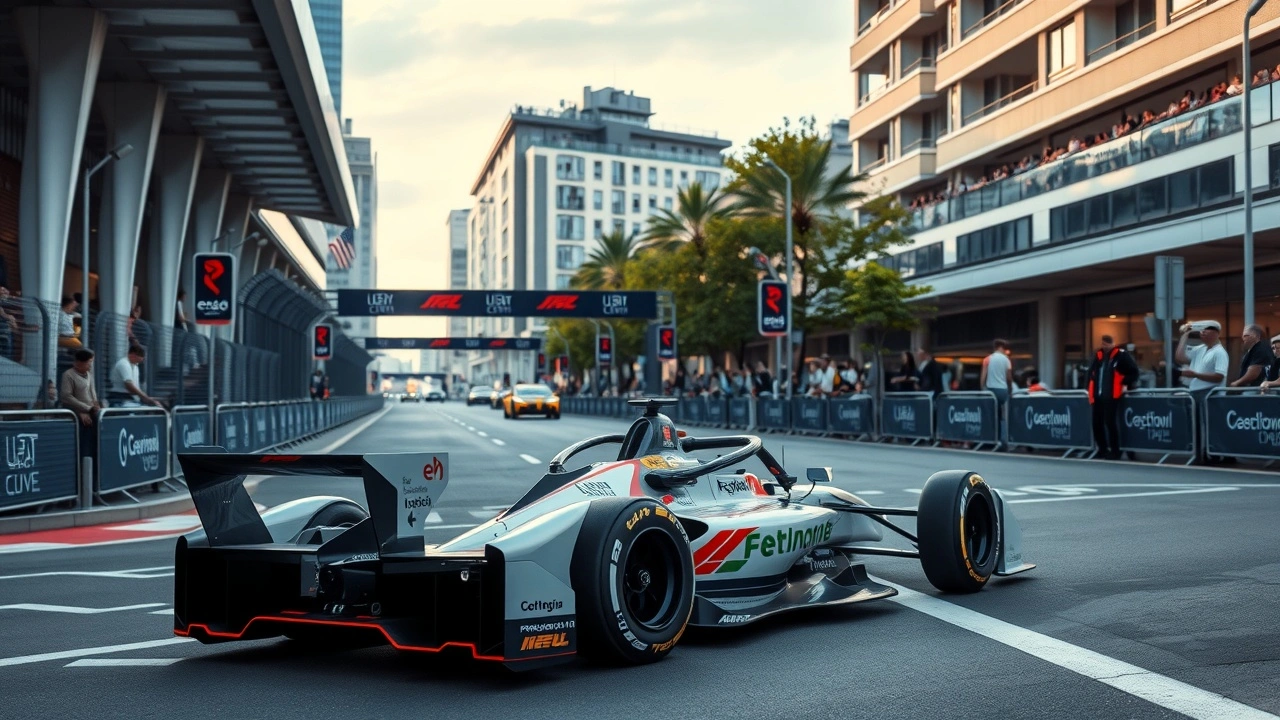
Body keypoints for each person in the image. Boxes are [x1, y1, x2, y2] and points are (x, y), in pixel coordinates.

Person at [1174, 321, 1228, 464]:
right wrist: (1185, 335)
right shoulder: (1200, 349)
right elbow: (1180, 357)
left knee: (1210, 426)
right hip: (1196, 392)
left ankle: (1214, 454)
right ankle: (1200, 453)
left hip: (1210, 394)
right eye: (1201, 330)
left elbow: (1219, 376)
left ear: (1216, 333)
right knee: (1196, 425)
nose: (1203, 332)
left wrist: (1196, 375)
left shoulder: (1220, 352)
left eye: (1207, 330)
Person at [1087, 335, 1139, 460]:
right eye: (1103, 344)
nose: (1104, 346)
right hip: (1098, 395)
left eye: (1106, 344)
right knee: (1097, 423)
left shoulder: (1121, 356)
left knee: (1110, 423)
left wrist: (1124, 382)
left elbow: (1134, 372)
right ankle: (1102, 449)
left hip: (1112, 395)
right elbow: (1091, 374)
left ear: (1112, 344)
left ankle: (1115, 450)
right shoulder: (1098, 356)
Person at [60, 349, 102, 456]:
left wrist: (96, 404)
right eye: (89, 362)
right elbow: (66, 396)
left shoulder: (89, 375)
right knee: (84, 443)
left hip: (92, 412)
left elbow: (93, 393)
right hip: (79, 415)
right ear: (80, 362)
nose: (90, 366)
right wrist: (82, 410)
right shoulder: (68, 375)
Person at [980, 339, 1014, 449]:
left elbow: (983, 377)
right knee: (1002, 416)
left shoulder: (988, 359)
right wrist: (1010, 389)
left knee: (991, 416)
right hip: (1003, 390)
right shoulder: (1006, 360)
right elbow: (1009, 377)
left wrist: (983, 389)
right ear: (1001, 347)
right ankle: (1003, 440)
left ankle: (991, 440)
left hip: (991, 391)